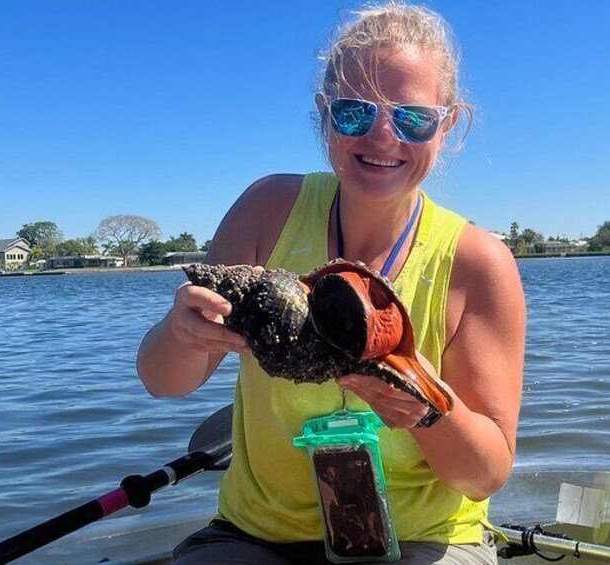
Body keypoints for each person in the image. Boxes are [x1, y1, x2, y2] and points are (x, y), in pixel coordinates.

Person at [137, 3, 525, 563]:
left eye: (412, 118)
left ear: (448, 125)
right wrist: (183, 333)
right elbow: (163, 382)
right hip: (259, 533)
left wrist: (427, 407)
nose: (382, 136)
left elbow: (486, 475)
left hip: (425, 537)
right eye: (353, 113)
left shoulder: (479, 264)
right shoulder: (268, 210)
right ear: (324, 115)